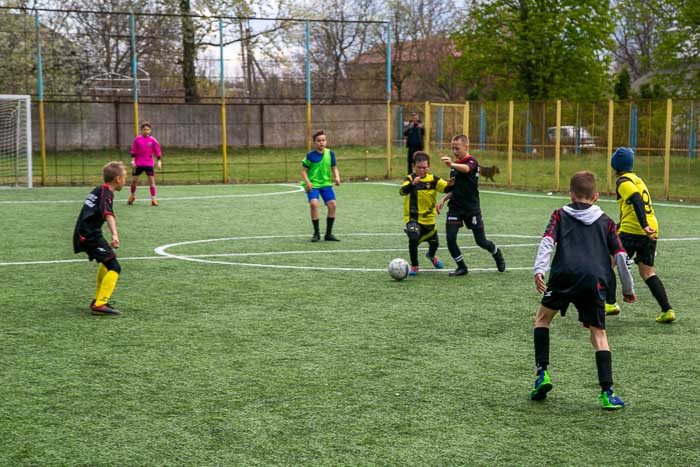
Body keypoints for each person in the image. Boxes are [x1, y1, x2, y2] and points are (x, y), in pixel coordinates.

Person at [529, 171, 636, 410]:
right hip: (594, 281)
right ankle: (607, 392)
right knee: (599, 334)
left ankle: (542, 374)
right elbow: (621, 256)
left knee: (542, 319)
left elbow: (547, 241)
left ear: (570, 194)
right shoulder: (607, 222)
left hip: (563, 276)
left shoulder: (559, 214)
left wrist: (539, 270)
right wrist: (628, 288)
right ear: (596, 196)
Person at [611, 147, 676, 323]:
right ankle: (667, 310)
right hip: (651, 228)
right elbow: (634, 206)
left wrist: (643, 225)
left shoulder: (623, 182)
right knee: (647, 272)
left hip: (635, 229)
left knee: (607, 262)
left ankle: (609, 303)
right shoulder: (637, 179)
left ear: (615, 165)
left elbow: (637, 200)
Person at [438, 135, 505, 276]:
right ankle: (462, 267)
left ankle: (496, 252)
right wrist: (444, 199)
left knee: (481, 241)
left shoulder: (472, 162)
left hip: (471, 209)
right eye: (452, 148)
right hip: (455, 208)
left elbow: (467, 169)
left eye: (457, 148)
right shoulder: (455, 167)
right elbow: (455, 189)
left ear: (466, 146)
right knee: (450, 239)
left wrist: (452, 165)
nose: (454, 151)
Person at [73, 161, 127, 316]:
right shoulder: (106, 193)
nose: (125, 180)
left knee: (108, 261)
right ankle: (100, 303)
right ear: (117, 179)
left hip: (88, 233)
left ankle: (98, 299)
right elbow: (108, 213)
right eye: (124, 177)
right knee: (114, 267)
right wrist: (115, 235)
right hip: (89, 235)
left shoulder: (99, 190)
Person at [400, 152, 450, 275]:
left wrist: (451, 184)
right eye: (419, 167)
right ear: (413, 166)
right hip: (413, 218)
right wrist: (413, 184)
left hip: (429, 220)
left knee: (435, 244)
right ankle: (415, 266)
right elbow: (402, 191)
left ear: (429, 167)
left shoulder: (434, 180)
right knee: (413, 238)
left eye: (424, 168)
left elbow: (447, 188)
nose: (422, 170)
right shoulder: (410, 179)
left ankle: (431, 256)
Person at [301, 130, 341, 242]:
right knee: (314, 204)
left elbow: (334, 167)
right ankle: (316, 233)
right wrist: (308, 182)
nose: (321, 142)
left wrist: (337, 177)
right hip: (312, 184)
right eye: (318, 141)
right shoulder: (310, 155)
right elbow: (303, 171)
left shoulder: (330, 153)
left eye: (323, 140)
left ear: (326, 141)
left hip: (326, 184)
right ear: (314, 143)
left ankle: (328, 234)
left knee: (332, 204)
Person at [128, 121, 162, 207]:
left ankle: (153, 199)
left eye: (147, 129)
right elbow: (133, 150)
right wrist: (132, 161)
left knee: (151, 181)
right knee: (134, 181)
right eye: (144, 129)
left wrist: (159, 161)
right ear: (141, 130)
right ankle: (132, 196)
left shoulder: (153, 140)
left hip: (149, 164)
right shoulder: (137, 139)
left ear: (150, 130)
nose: (146, 131)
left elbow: (157, 150)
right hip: (138, 163)